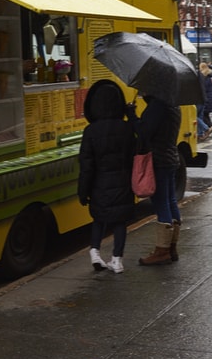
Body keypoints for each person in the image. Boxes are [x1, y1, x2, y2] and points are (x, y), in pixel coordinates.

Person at [78, 79, 136, 274]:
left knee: (99, 219)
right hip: (122, 182)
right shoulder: (127, 129)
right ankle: (116, 260)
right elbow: (133, 156)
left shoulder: (90, 131)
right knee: (120, 221)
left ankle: (95, 252)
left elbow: (86, 165)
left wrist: (83, 191)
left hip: (99, 183)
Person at [126, 94, 182, 266]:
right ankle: (171, 247)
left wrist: (132, 114)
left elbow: (144, 132)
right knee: (171, 201)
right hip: (171, 157)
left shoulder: (158, 105)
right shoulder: (174, 103)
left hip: (158, 160)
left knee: (161, 203)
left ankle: (162, 251)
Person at [197, 62, 212, 140]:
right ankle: (200, 134)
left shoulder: (202, 77)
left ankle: (206, 128)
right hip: (205, 99)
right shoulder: (208, 76)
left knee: (194, 117)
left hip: (200, 98)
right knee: (201, 116)